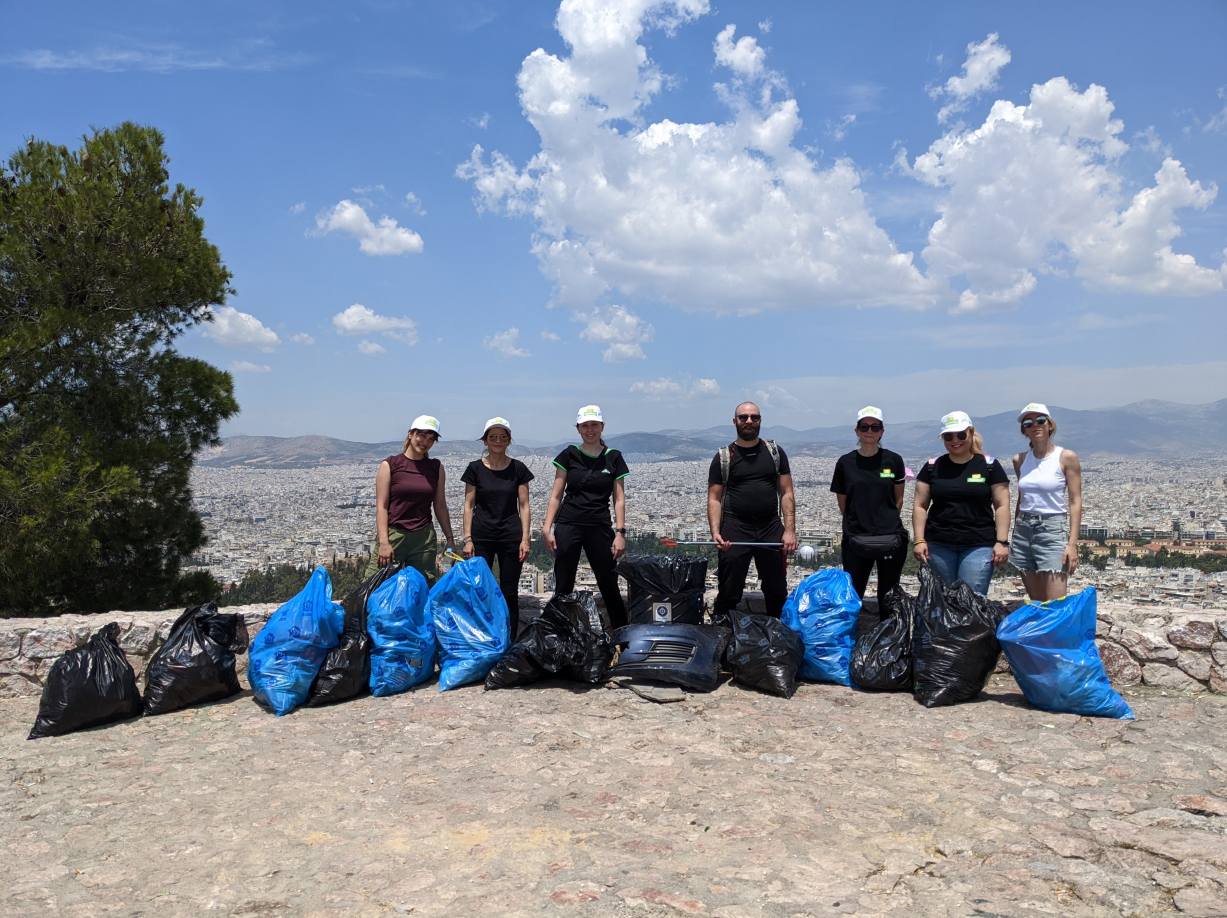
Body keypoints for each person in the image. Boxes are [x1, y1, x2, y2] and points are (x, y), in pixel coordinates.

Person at [707, 401, 798, 624]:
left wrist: (790, 530)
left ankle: (779, 642)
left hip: (770, 525)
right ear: (735, 421)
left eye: (754, 417)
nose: (749, 421)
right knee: (729, 590)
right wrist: (715, 531)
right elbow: (714, 498)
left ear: (760, 421)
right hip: (735, 526)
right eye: (744, 417)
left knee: (777, 589)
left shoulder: (775, 453)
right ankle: (724, 641)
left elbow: (786, 492)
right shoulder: (724, 457)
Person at [542, 405, 630, 629]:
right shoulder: (569, 455)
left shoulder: (614, 458)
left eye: (594, 425)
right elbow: (556, 495)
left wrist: (620, 532)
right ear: (578, 429)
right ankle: (558, 637)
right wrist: (547, 528)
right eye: (585, 426)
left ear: (602, 427)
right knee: (563, 582)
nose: (590, 430)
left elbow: (619, 499)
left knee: (609, 582)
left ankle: (622, 637)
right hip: (568, 523)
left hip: (599, 525)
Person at [912, 411, 1010, 596]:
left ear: (971, 433)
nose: (955, 440)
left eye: (961, 434)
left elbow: (1002, 505)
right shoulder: (932, 467)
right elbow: (920, 505)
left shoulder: (989, 466)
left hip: (979, 544)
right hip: (939, 543)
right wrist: (919, 540)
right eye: (949, 436)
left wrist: (1002, 542)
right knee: (942, 599)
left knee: (972, 599)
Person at [461, 417, 534, 638]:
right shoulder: (475, 468)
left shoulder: (518, 468)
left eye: (503, 437)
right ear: (485, 441)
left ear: (509, 440)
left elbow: (525, 505)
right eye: (493, 437)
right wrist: (467, 538)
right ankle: (481, 639)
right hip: (481, 536)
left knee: (509, 592)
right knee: (479, 591)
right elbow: (468, 505)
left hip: (510, 536)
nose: (498, 441)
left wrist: (525, 539)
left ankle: (508, 640)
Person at [366, 414, 456, 587]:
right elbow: (382, 507)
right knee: (375, 584)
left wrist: (450, 539)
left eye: (431, 439)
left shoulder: (436, 468)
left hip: (424, 537)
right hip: (394, 534)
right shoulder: (391, 465)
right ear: (410, 434)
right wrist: (384, 542)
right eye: (422, 435)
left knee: (423, 587)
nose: (425, 442)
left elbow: (440, 506)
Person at [831, 406, 908, 603]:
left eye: (875, 427)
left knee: (889, 597)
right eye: (864, 427)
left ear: (882, 431)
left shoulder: (894, 460)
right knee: (853, 595)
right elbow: (843, 503)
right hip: (856, 537)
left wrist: (885, 520)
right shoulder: (845, 463)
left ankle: (890, 633)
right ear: (857, 431)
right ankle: (851, 634)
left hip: (890, 536)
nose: (870, 431)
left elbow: (898, 499)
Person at [1010, 403, 1083, 602]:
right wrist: (1015, 531)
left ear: (1050, 425)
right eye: (1029, 423)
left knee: (1055, 602)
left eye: (1040, 420)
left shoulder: (1066, 457)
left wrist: (1072, 544)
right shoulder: (1019, 460)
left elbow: (1075, 501)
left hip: (1052, 528)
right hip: (1023, 530)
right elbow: (1021, 497)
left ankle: (1057, 635)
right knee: (1037, 602)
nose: (1035, 425)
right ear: (1024, 430)